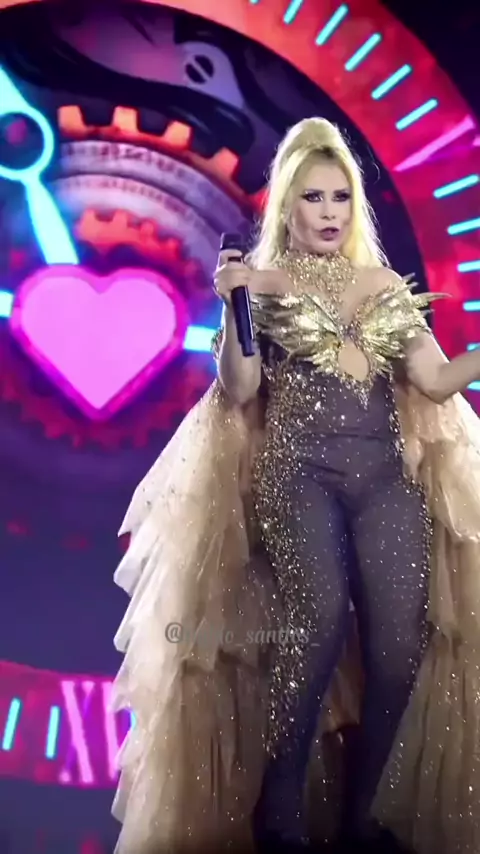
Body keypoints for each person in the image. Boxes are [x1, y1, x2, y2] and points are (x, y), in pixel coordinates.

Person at [111, 118, 480, 854]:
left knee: (399, 648)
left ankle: (365, 813)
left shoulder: (382, 287)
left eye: (341, 197)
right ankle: (277, 809)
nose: (329, 212)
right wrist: (234, 306)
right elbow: (240, 387)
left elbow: (437, 381)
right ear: (288, 205)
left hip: (383, 481)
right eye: (313, 197)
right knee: (316, 623)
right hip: (299, 476)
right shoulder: (260, 284)